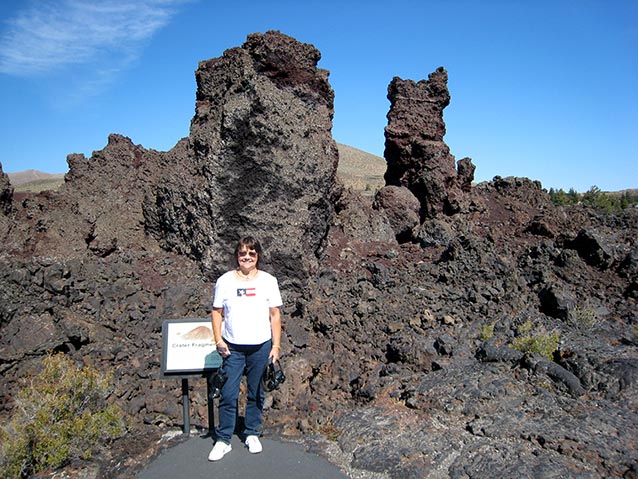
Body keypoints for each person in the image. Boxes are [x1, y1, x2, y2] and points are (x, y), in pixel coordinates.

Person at [208, 236, 283, 462]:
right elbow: (216, 312)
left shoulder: (268, 281)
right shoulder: (225, 281)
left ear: (257, 256)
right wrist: (218, 340)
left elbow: (275, 315)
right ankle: (224, 439)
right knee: (228, 393)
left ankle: (252, 433)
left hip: (260, 346)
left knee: (256, 392)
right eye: (242, 253)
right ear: (237, 256)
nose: (247, 257)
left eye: (251, 253)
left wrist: (276, 345)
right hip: (232, 348)